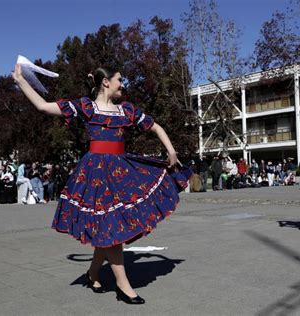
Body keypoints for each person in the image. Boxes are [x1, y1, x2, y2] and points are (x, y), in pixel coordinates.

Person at [13, 63, 191, 304]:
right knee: (112, 227)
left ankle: (93, 272)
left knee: (108, 225)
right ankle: (123, 285)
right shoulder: (86, 107)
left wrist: (171, 152)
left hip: (120, 172)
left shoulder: (125, 111)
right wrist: (21, 80)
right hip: (95, 174)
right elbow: (44, 106)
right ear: (106, 82)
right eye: (119, 79)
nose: (123, 84)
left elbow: (156, 126)